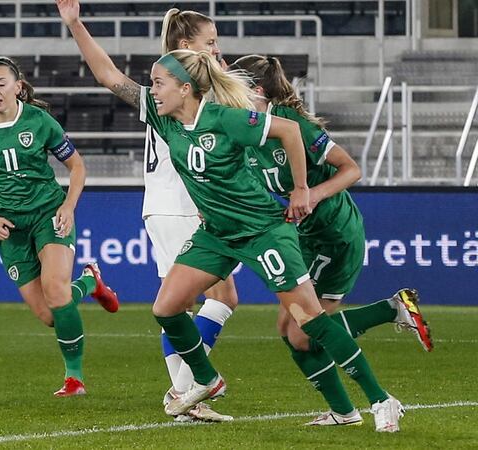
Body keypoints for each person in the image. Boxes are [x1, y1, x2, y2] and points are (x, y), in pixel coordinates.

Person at [56, 0, 405, 432]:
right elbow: (109, 77)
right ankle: (206, 380)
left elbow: (290, 130)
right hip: (216, 233)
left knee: (308, 321)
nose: (153, 90)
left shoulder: (225, 119)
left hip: (262, 231)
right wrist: (74, 24)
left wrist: (300, 189)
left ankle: (381, 399)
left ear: (185, 88)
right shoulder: (165, 121)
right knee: (166, 307)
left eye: (159, 82)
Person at [230, 54, 433, 426]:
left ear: (257, 92)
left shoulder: (293, 126)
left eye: (234, 86)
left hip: (335, 235)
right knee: (290, 331)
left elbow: (351, 168)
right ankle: (344, 411)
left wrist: (312, 194)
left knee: (304, 331)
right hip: (306, 237)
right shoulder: (247, 132)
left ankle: (389, 318)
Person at [0, 56, 120, 397]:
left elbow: (76, 167)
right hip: (10, 228)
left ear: (18, 86)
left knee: (57, 292)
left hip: (48, 215)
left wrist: (68, 206)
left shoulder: (40, 122)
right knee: (49, 315)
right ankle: (90, 282)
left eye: (0, 83)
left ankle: (73, 379)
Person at [148, 9, 237, 423]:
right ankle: (182, 393)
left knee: (178, 306)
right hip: (185, 206)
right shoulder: (184, 90)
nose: (217, 49)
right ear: (187, 47)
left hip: (160, 205)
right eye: (211, 42)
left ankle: (185, 400)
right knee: (221, 298)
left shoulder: (164, 86)